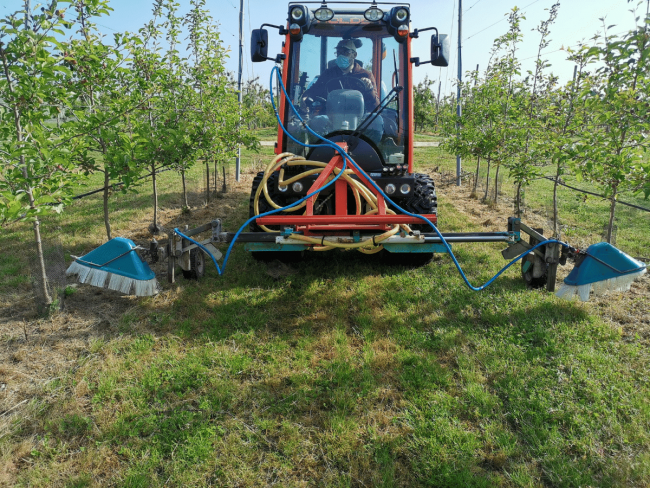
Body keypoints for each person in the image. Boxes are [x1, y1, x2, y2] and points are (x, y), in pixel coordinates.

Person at [302, 39, 379, 112]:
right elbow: (314, 91)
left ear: (354, 55)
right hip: (330, 118)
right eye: (338, 52)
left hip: (359, 120)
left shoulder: (365, 75)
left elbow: (375, 108)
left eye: (345, 52)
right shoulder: (328, 74)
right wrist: (304, 98)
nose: (341, 56)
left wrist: (370, 90)